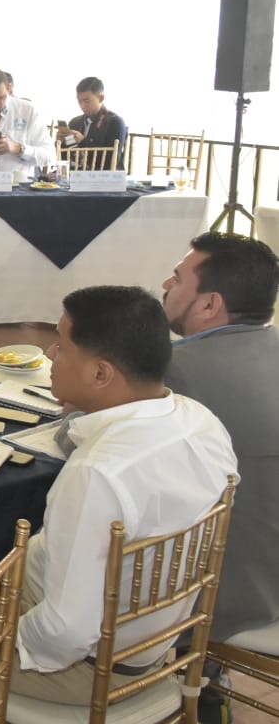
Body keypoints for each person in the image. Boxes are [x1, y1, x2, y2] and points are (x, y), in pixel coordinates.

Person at [9, 286, 236, 704]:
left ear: (100, 374)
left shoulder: (97, 473)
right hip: (157, 640)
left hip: (91, 670)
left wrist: (4, 637)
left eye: (62, 346)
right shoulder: (201, 422)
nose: (51, 354)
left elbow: (66, 632)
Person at [161, 232, 279, 643]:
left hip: (220, 593)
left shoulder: (175, 369)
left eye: (177, 278)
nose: (166, 285)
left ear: (210, 304)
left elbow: (101, 447)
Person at [54, 76, 128, 169]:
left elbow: (109, 163)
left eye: (86, 101)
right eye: (79, 101)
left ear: (101, 98)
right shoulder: (75, 122)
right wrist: (61, 143)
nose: (82, 105)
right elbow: (67, 159)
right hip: (77, 174)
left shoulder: (115, 123)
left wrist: (83, 141)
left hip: (105, 176)